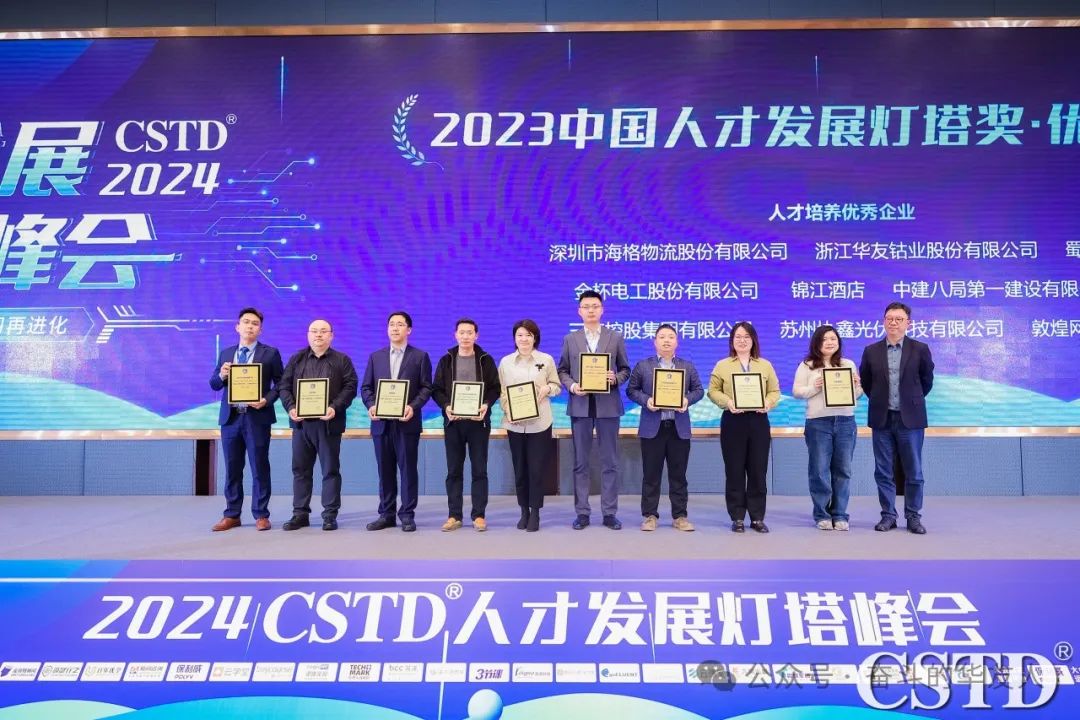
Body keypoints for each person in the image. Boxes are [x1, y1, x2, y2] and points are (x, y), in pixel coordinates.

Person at [557, 291, 631, 530]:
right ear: (579, 311)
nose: (591, 310)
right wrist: (572, 386)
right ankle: (582, 513)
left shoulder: (615, 337)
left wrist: (615, 378)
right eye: (586, 306)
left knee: (610, 462)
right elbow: (562, 370)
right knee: (580, 462)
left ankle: (609, 513)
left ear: (602, 310)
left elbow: (625, 369)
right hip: (580, 407)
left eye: (595, 306)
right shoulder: (570, 339)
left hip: (608, 406)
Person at [859, 301, 934, 535]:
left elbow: (926, 382)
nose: (893, 323)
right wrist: (882, 401)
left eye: (899, 319)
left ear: (908, 323)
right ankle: (888, 515)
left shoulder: (920, 349)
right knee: (883, 471)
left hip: (910, 420)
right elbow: (867, 383)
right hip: (881, 419)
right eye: (889, 318)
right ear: (884, 321)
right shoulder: (871, 351)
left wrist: (910, 402)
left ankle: (913, 516)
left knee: (914, 471)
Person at [278, 319, 358, 531]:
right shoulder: (296, 359)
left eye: (323, 331)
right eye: (314, 331)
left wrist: (334, 407)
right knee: (300, 470)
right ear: (308, 335)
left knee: (330, 470)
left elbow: (351, 387)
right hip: (301, 425)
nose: (318, 335)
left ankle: (329, 515)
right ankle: (300, 514)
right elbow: (283, 386)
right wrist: (291, 407)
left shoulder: (342, 360)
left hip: (329, 424)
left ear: (331, 336)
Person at [208, 308, 284, 532]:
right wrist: (222, 375)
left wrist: (266, 400)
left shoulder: (270, 354)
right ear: (237, 327)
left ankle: (261, 514)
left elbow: (282, 383)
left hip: (257, 418)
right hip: (231, 419)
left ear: (260, 329)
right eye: (246, 322)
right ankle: (232, 514)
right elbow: (214, 384)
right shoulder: (226, 353)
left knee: (259, 466)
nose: (250, 326)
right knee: (232, 468)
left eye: (255, 323)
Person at [626, 324, 704, 532]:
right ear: (655, 342)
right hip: (653, 428)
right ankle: (650, 516)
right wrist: (647, 400)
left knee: (679, 475)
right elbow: (631, 390)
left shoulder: (687, 366)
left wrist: (686, 400)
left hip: (679, 429)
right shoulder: (643, 366)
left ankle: (680, 516)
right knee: (651, 475)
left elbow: (699, 390)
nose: (666, 340)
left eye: (671, 337)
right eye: (662, 337)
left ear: (677, 342)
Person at [361, 311, 433, 533]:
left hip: (407, 423)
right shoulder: (376, 357)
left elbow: (426, 388)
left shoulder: (420, 356)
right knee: (385, 470)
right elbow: (366, 387)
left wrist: (413, 406)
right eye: (391, 324)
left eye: (400, 324)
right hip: (381, 424)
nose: (395, 328)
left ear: (408, 330)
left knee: (408, 470)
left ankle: (407, 514)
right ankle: (386, 514)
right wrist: (371, 405)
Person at [707, 322, 781, 533]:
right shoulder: (722, 365)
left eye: (746, 336)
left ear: (753, 340)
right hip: (733, 421)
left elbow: (775, 391)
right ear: (732, 341)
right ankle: (737, 516)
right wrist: (727, 402)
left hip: (758, 421)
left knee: (758, 470)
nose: (742, 340)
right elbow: (712, 391)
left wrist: (768, 402)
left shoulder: (765, 365)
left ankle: (757, 517)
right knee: (734, 470)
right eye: (738, 337)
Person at [431, 318, 501, 532]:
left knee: (480, 470)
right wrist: (446, 406)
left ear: (476, 336)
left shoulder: (485, 360)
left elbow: (495, 388)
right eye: (462, 332)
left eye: (470, 332)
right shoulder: (446, 360)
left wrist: (486, 404)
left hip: (478, 423)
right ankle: (454, 515)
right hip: (453, 423)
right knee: (454, 470)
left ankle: (479, 515)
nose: (465, 336)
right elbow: (436, 389)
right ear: (455, 335)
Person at [792, 325, 862, 531]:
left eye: (833, 338)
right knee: (819, 470)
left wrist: (857, 385)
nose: (830, 342)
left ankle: (840, 514)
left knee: (843, 470)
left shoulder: (848, 364)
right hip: (818, 423)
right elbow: (796, 391)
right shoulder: (807, 366)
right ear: (817, 343)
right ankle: (822, 514)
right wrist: (815, 387)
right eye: (825, 339)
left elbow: (857, 394)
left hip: (845, 421)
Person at [498, 319, 562, 532]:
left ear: (535, 338)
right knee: (520, 469)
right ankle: (523, 511)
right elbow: (502, 392)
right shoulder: (506, 362)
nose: (524, 339)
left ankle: (535, 512)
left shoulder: (546, 359)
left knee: (536, 469)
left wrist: (548, 389)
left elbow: (557, 386)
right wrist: (508, 411)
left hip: (540, 423)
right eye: (520, 335)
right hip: (515, 424)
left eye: (528, 335)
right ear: (514, 338)